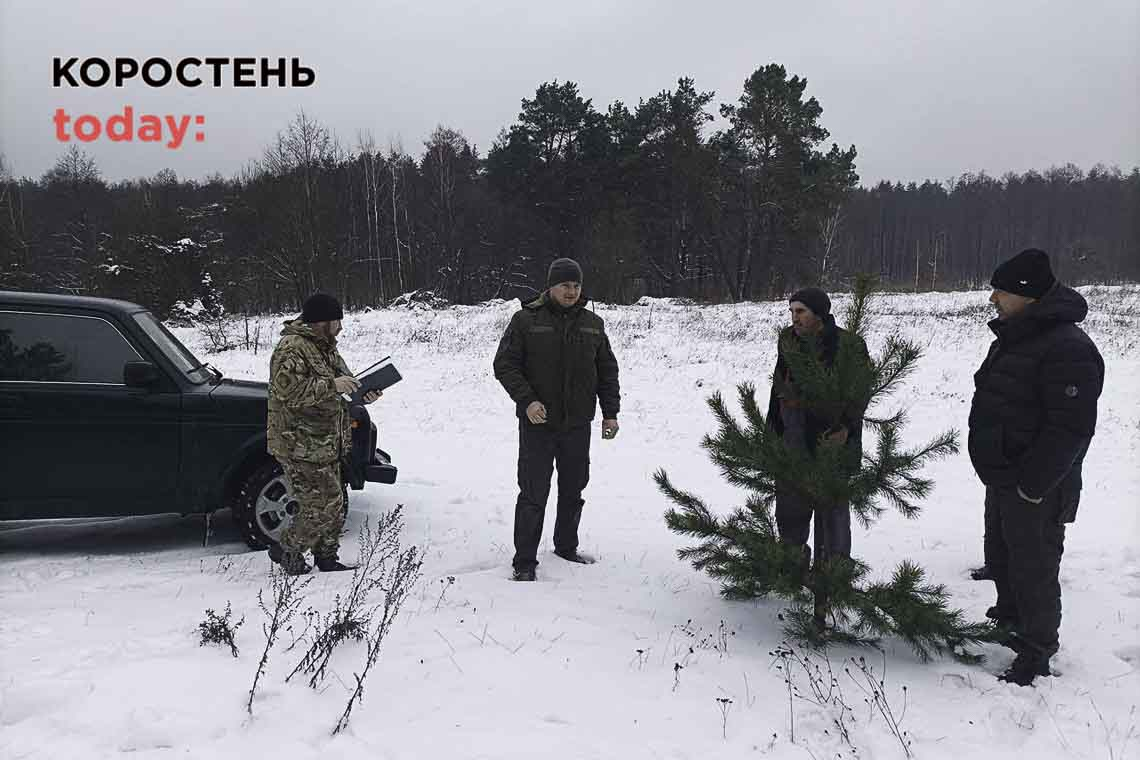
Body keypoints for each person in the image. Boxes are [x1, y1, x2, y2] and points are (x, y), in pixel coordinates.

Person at [968, 248, 1103, 686]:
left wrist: (1033, 485)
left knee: (1034, 567)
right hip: (1005, 475)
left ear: (1027, 296)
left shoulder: (1069, 349)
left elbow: (1071, 429)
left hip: (1037, 485)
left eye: (1000, 292)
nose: (993, 300)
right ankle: (1010, 621)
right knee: (1002, 556)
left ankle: (1036, 649)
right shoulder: (1017, 335)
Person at [493, 258, 621, 582]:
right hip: (538, 424)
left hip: (577, 424)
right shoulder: (525, 320)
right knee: (534, 492)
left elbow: (607, 371)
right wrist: (528, 401)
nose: (572, 291)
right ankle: (524, 561)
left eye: (576, 286)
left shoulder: (594, 324)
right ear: (551, 286)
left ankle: (566, 547)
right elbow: (505, 365)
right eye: (565, 285)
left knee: (574, 488)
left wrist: (610, 413)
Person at [267, 293, 382, 575]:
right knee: (322, 503)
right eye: (337, 321)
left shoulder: (325, 347)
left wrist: (363, 393)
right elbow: (289, 392)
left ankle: (326, 558)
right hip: (299, 442)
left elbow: (344, 385)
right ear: (322, 322)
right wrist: (333, 385)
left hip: (326, 440)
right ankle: (287, 549)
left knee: (334, 502)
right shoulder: (291, 348)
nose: (341, 327)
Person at [766, 287, 870, 568]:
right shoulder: (788, 340)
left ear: (820, 314)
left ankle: (833, 575)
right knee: (789, 512)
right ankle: (793, 568)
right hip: (793, 440)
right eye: (791, 312)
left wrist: (846, 428)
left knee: (833, 516)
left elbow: (860, 393)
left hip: (831, 443)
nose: (794, 318)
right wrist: (772, 434)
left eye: (801, 312)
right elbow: (779, 389)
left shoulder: (848, 345)